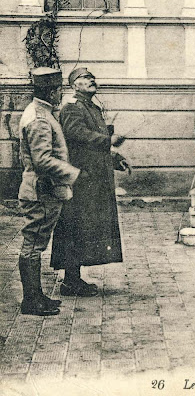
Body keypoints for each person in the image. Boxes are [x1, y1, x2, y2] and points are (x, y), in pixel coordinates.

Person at [51, 67, 130, 297]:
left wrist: (116, 158)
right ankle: (70, 281)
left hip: (94, 178)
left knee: (85, 229)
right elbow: (77, 134)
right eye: (85, 78)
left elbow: (95, 144)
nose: (91, 80)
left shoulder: (92, 107)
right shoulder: (72, 108)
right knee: (75, 227)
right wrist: (108, 140)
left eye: (92, 77)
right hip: (81, 178)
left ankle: (73, 279)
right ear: (74, 85)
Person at [18, 67, 86, 316]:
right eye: (58, 90)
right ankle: (31, 301)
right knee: (33, 245)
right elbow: (42, 160)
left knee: (35, 243)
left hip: (44, 190)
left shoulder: (42, 112)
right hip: (41, 191)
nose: (60, 94)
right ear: (52, 90)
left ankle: (36, 296)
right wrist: (74, 174)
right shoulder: (39, 118)